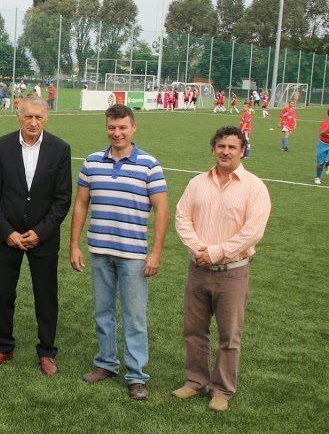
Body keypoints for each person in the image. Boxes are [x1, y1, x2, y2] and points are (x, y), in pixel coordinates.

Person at [69, 104, 169, 400]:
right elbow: (81, 205)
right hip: (99, 250)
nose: (117, 133)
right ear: (106, 128)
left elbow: (162, 210)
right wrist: (74, 245)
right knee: (103, 312)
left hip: (133, 255)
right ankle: (106, 363)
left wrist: (156, 253)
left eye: (123, 127)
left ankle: (137, 376)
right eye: (112, 127)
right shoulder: (91, 162)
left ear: (133, 127)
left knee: (134, 317)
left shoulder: (149, 165)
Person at [173, 126, 271, 412]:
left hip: (232, 273)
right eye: (221, 146)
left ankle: (222, 389)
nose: (225, 152)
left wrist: (215, 253)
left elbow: (252, 231)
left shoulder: (254, 187)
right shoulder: (197, 183)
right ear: (213, 149)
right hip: (198, 269)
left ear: (242, 151)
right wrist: (198, 250)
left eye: (232, 147)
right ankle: (196, 381)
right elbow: (182, 218)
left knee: (229, 335)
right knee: (194, 330)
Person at [0, 96, 71, 375]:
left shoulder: (60, 149)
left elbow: (62, 198)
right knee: (4, 293)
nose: (33, 122)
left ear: (46, 118)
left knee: (46, 296)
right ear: (18, 116)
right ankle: (3, 347)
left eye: (38, 117)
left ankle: (47, 352)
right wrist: (7, 232)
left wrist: (41, 232)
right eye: (28, 116)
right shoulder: (1, 146)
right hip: (7, 237)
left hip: (43, 238)